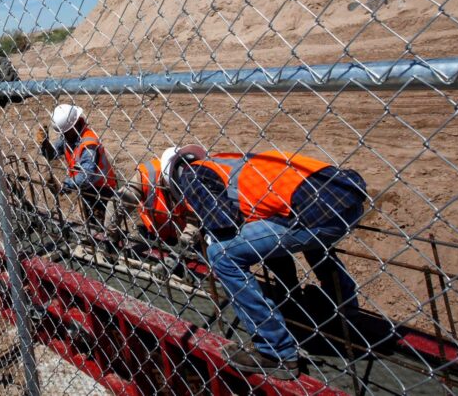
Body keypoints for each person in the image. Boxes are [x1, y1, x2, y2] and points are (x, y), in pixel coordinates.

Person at [157, 144, 367, 380]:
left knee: (222, 254)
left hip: (314, 210)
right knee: (308, 244)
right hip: (344, 195)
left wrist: (210, 232)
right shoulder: (228, 161)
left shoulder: (191, 175)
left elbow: (224, 221)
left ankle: (276, 351)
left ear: (171, 177)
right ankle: (345, 314)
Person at [35, 104, 117, 231]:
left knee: (103, 227)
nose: (63, 135)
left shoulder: (88, 144)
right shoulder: (69, 137)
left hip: (102, 190)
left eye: (65, 132)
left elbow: (86, 177)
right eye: (62, 132)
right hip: (86, 189)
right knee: (91, 224)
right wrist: (45, 146)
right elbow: (53, 155)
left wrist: (64, 186)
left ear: (75, 124)